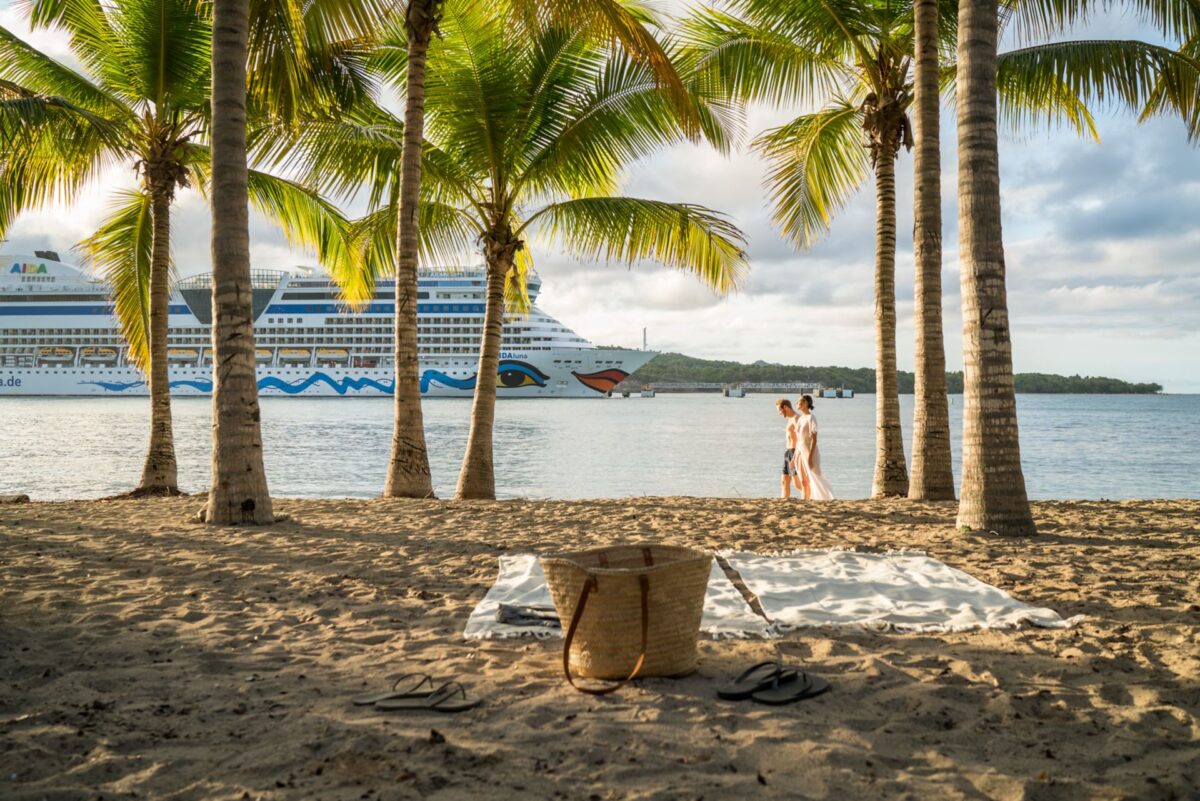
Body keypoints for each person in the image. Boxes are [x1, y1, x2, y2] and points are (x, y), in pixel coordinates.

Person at [792, 394, 834, 500]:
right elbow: (799, 440)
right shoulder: (801, 418)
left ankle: (819, 498)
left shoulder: (811, 418)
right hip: (800, 451)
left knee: (814, 477)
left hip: (810, 451)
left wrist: (810, 457)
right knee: (803, 480)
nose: (797, 403)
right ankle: (805, 499)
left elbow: (814, 439)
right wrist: (794, 457)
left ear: (806, 403)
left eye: (799, 401)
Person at [776, 399, 804, 498]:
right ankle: (784, 502)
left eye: (779, 410)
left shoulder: (797, 418)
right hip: (787, 452)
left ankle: (811, 497)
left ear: (785, 407)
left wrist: (796, 456)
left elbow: (801, 438)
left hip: (794, 452)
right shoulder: (790, 419)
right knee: (784, 480)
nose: (779, 413)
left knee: (797, 484)